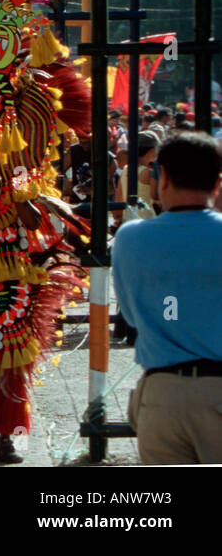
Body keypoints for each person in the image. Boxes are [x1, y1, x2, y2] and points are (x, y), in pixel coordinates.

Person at [113, 131, 222, 464]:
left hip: (161, 396)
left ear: (163, 178)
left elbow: (131, 317)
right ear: (217, 184)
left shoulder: (130, 238)